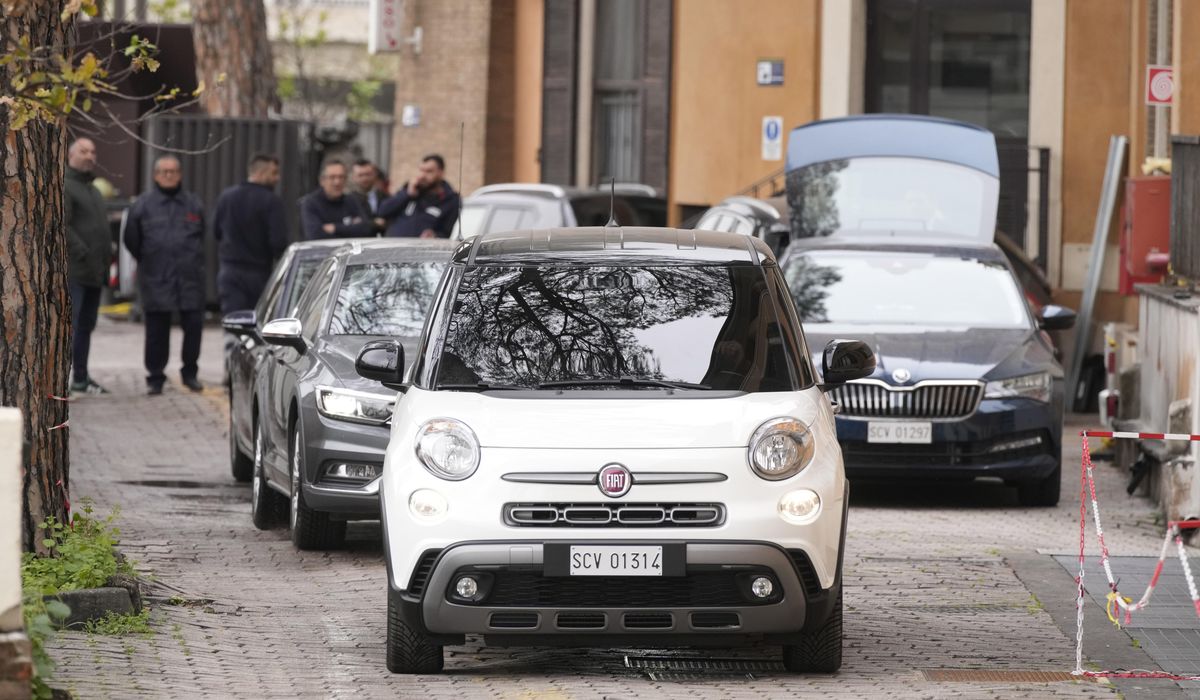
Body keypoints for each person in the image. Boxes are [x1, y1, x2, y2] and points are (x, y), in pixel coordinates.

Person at [124, 155, 207, 395]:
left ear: (180, 174)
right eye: (164, 171)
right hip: (156, 276)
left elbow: (203, 235)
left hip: (189, 278)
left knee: (193, 327)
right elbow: (132, 239)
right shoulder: (143, 205)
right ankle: (155, 377)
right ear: (155, 175)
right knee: (156, 332)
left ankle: (189, 373)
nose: (169, 175)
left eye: (173, 171)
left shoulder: (193, 204)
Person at [213, 153, 289, 314]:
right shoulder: (272, 202)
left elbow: (216, 232)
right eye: (274, 173)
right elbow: (278, 243)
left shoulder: (226, 196)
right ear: (260, 173)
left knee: (233, 323)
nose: (278, 178)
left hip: (229, 271)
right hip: (259, 274)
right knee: (257, 325)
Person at [64, 137, 111, 395]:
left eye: (93, 151)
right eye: (84, 151)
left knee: (86, 326)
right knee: (72, 325)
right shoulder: (66, 185)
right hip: (76, 271)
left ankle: (81, 377)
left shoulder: (93, 190)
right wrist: (81, 251)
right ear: (71, 155)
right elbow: (63, 223)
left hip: (95, 271)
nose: (90, 156)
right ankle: (65, 377)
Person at [377, 154, 460, 238]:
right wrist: (407, 195)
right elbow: (382, 211)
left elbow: (446, 232)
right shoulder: (410, 189)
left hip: (422, 249)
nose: (422, 175)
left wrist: (434, 235)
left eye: (429, 171)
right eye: (421, 170)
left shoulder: (451, 200)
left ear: (441, 173)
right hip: (393, 246)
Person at [299, 159, 374, 240]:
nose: (337, 182)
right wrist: (350, 229)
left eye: (341, 177)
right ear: (322, 180)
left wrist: (335, 228)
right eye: (332, 177)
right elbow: (315, 235)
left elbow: (366, 229)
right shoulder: (311, 203)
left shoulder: (351, 200)